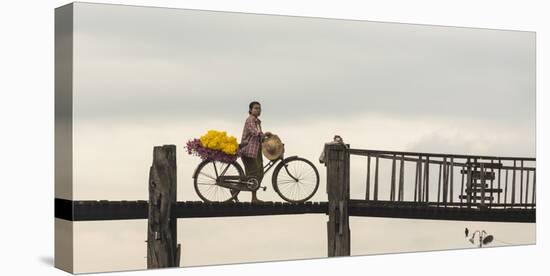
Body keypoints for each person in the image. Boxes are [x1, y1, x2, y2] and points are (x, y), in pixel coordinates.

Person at [238, 101, 271, 202]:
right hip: (248, 150)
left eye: (259, 108)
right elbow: (254, 132)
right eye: (256, 108)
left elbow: (259, 137)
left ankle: (253, 197)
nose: (258, 110)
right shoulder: (250, 120)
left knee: (259, 173)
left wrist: (266, 138)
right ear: (250, 110)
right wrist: (264, 134)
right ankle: (249, 196)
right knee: (253, 174)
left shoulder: (258, 122)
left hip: (257, 150)